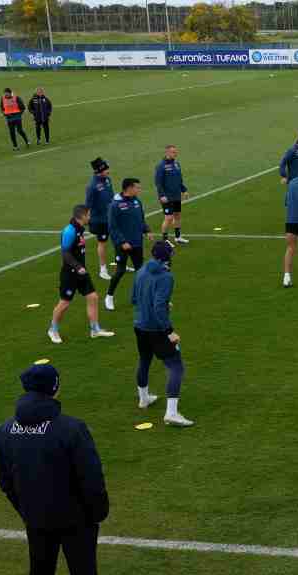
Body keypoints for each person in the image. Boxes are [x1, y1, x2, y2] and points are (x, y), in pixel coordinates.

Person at [0, 363, 129, 575]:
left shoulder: (5, 430)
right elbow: (91, 478)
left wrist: (26, 510)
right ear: (54, 388)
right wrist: (98, 511)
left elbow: (5, 481)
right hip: (76, 519)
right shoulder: (71, 428)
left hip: (36, 519)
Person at [132, 240, 194, 426]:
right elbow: (158, 307)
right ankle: (171, 413)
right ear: (166, 257)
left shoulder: (141, 270)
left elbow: (134, 298)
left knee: (144, 360)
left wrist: (159, 304)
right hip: (157, 329)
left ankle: (143, 399)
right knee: (176, 367)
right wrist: (170, 332)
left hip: (140, 325)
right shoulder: (166, 277)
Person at [49, 205, 115, 344]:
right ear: (82, 216)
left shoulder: (79, 229)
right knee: (65, 303)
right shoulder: (69, 231)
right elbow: (65, 253)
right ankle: (53, 330)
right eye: (88, 215)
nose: (90, 217)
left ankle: (95, 330)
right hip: (70, 273)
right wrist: (78, 267)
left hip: (81, 272)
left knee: (93, 297)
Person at [105, 178, 152, 311]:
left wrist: (147, 230)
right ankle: (109, 296)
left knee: (140, 271)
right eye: (137, 187)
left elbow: (141, 219)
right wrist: (122, 242)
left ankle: (139, 296)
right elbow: (112, 227)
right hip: (123, 245)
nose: (139, 190)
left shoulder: (137, 201)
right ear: (129, 188)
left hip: (137, 242)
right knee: (120, 271)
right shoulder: (115, 205)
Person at [85, 158, 115, 280]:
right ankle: (103, 269)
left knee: (117, 240)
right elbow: (88, 205)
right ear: (99, 171)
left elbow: (111, 196)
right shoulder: (92, 186)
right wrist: (88, 219)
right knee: (102, 243)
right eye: (106, 169)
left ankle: (118, 264)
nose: (108, 170)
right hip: (100, 220)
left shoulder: (107, 180)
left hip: (111, 217)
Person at [154, 145, 188, 245]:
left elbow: (179, 179)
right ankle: (164, 240)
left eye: (176, 152)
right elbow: (158, 182)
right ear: (167, 153)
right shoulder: (161, 166)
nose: (175, 153)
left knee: (177, 215)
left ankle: (178, 237)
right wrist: (161, 195)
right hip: (167, 197)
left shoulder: (177, 164)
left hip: (176, 195)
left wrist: (184, 190)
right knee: (168, 218)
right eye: (173, 152)